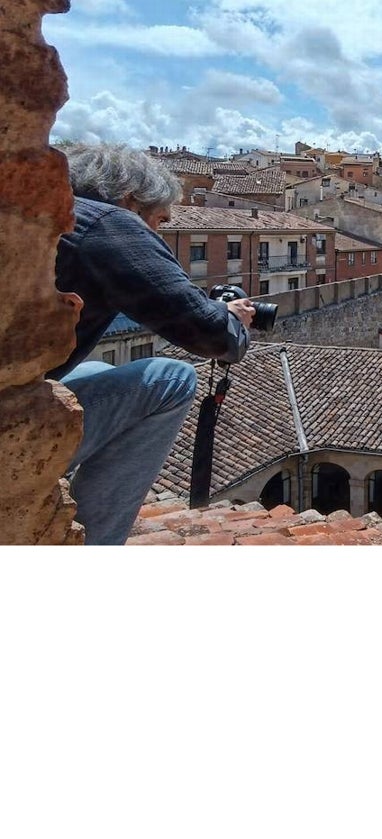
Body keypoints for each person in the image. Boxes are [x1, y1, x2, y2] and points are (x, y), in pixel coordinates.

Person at [48, 143, 255, 545]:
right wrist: (233, 319)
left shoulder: (43, 215)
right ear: (130, 199)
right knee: (172, 377)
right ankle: (95, 543)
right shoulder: (108, 222)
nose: (156, 234)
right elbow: (210, 335)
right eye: (159, 221)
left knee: (96, 371)